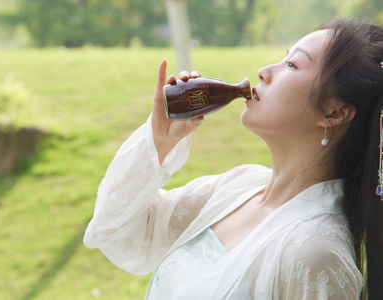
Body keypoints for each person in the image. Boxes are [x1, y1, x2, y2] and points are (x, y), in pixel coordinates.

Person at [84, 17, 383, 299]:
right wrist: (161, 140)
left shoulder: (315, 254)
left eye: (292, 64)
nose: (265, 70)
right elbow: (117, 234)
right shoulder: (238, 187)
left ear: (334, 112)